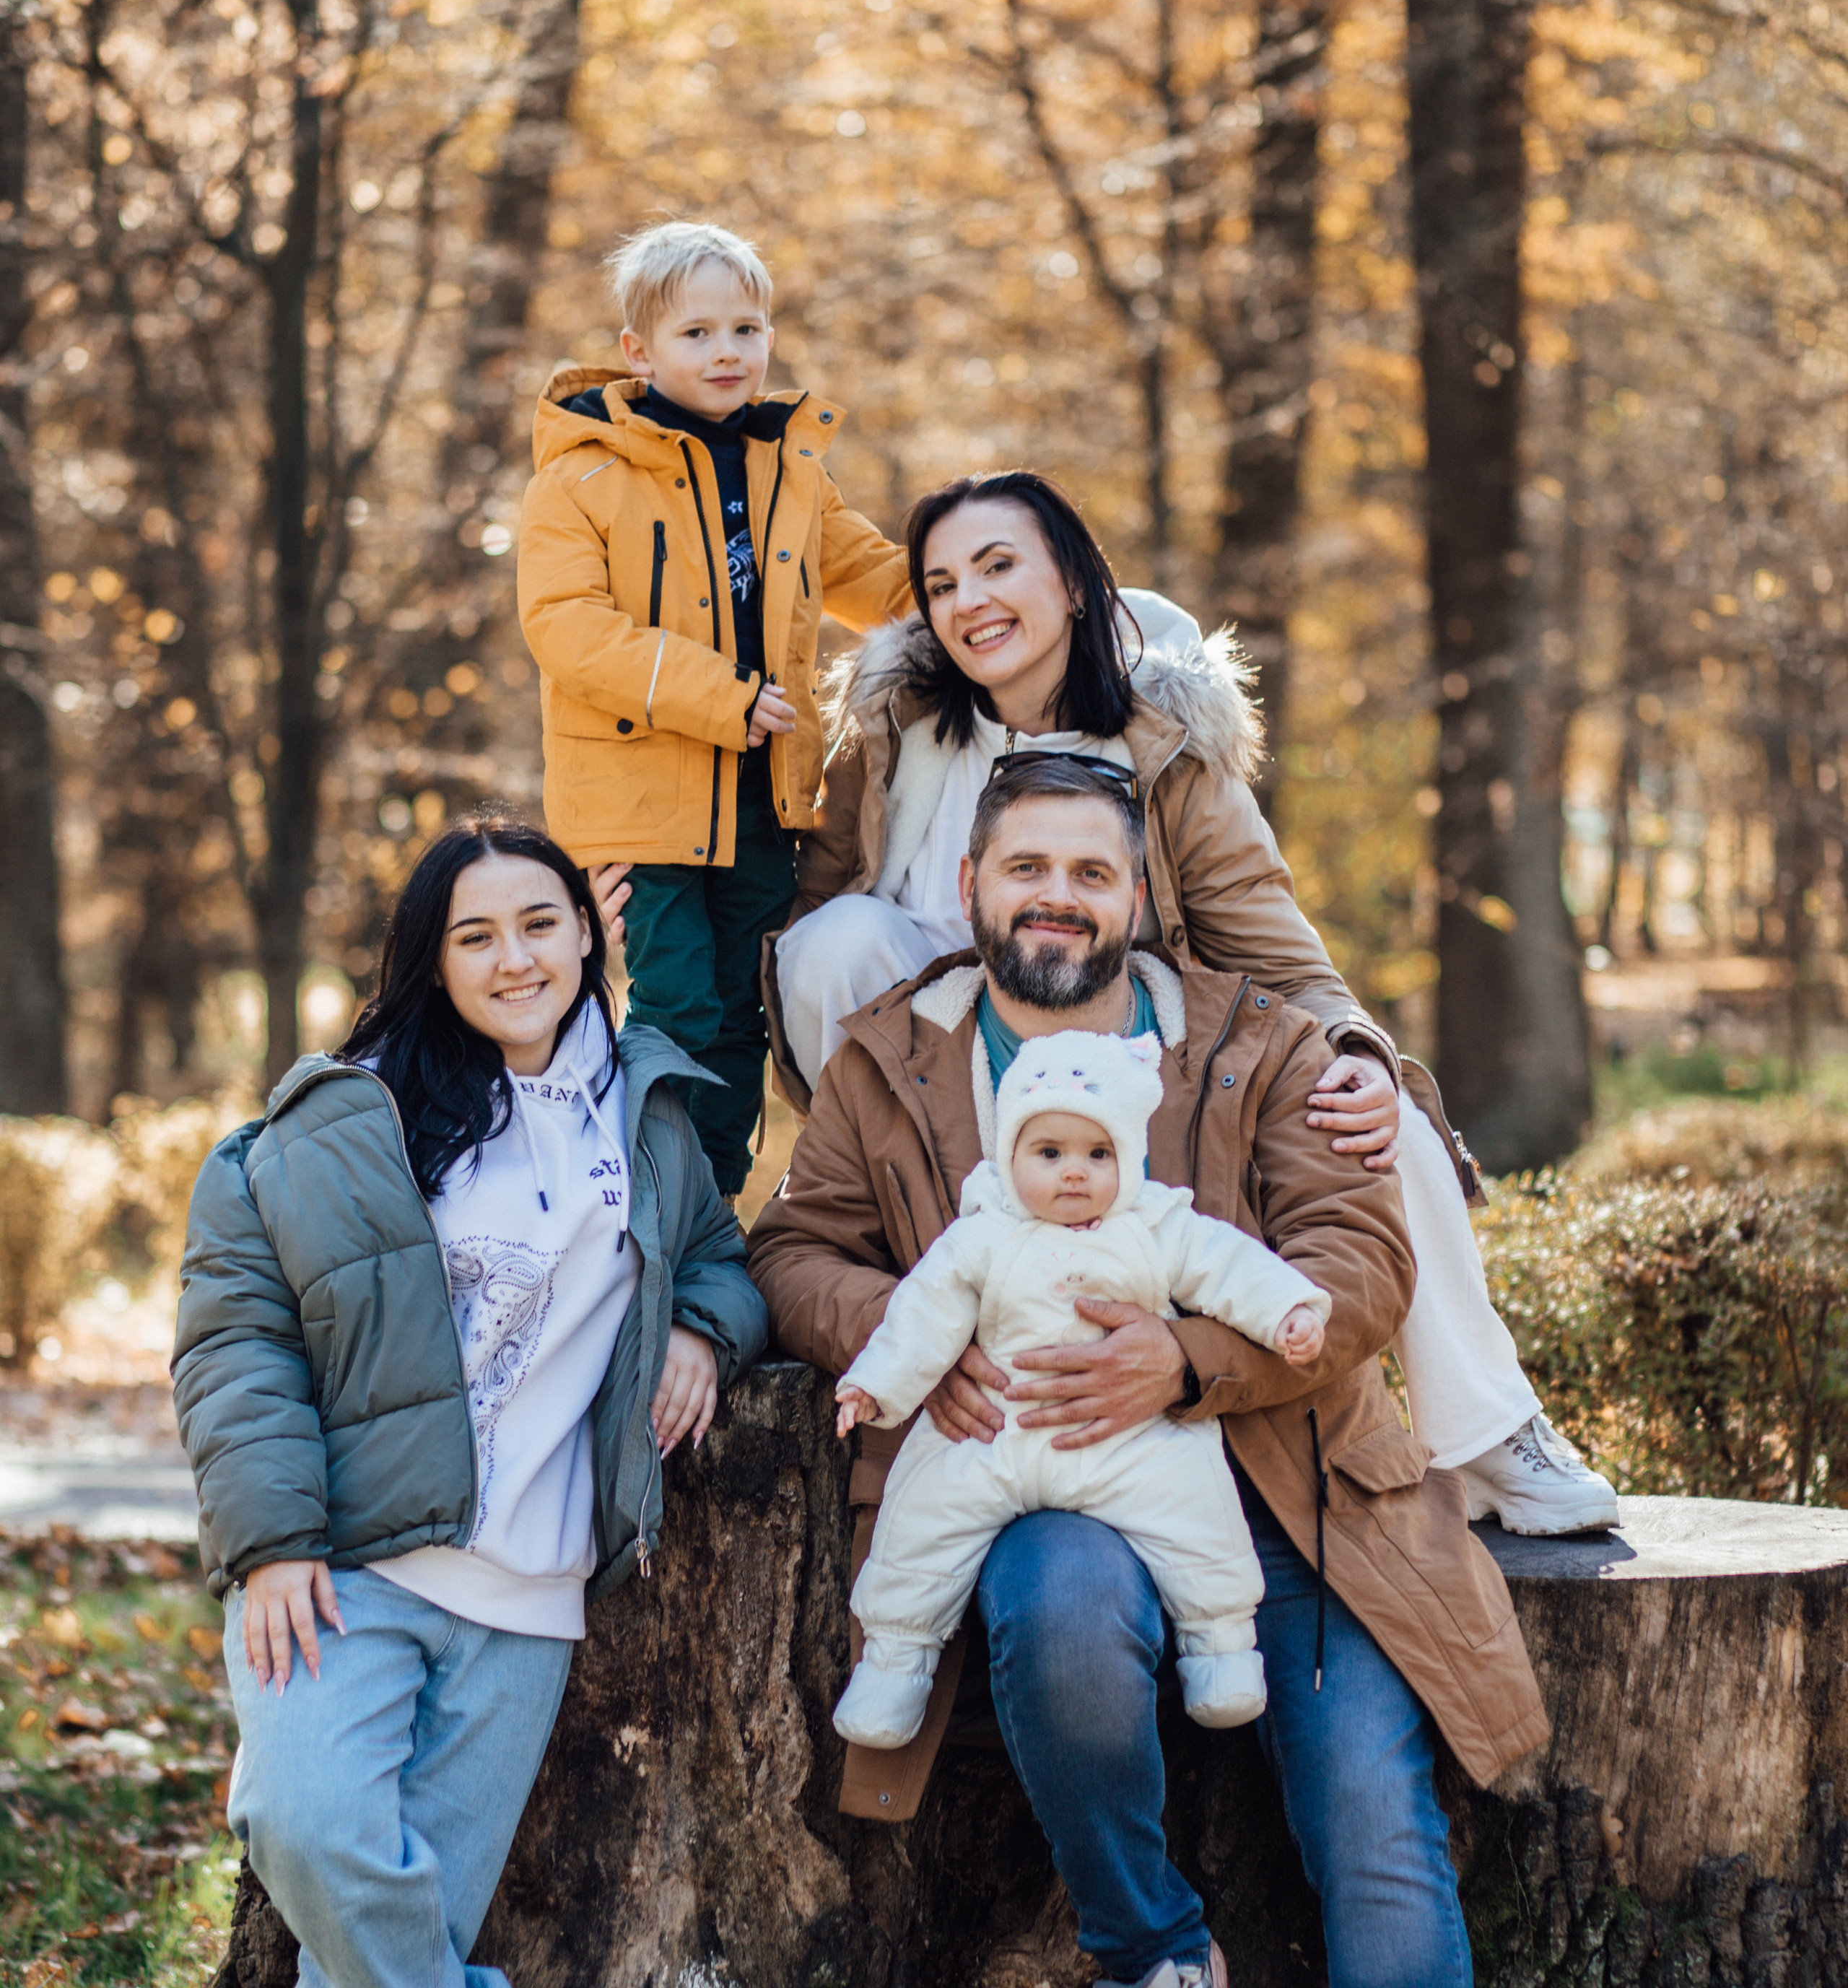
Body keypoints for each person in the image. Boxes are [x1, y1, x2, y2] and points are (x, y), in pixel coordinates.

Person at [748, 755, 1548, 1988]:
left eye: (1089, 874)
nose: (1054, 898)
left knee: (1369, 1825)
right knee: (1048, 1613)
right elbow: (794, 1241)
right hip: (1058, 1485)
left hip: (1298, 1491)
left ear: (1137, 895)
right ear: (971, 884)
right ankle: (1154, 1962)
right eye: (1023, 869)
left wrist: (1191, 1355)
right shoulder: (892, 1050)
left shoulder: (1255, 1041)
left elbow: (1360, 1257)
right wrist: (915, 1345)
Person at [766, 468, 1618, 1537]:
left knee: (1374, 1115)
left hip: (1140, 1075)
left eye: (998, 567)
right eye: (939, 584)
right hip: (948, 1083)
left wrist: (1355, 1048)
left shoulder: (1163, 740)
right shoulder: (897, 731)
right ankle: (924, 1243)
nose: (969, 601)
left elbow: (1272, 941)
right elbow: (803, 911)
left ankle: (1492, 1436)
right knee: (831, 940)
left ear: (1073, 584)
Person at [173, 820, 767, 1988]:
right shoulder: (343, 1115)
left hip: (527, 1602)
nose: (513, 959)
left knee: (377, 1932)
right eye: (475, 935)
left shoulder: (647, 1117)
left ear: (588, 936)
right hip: (347, 1566)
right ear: (431, 960)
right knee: (299, 1825)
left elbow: (719, 1263)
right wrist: (272, 1537)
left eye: (540, 925)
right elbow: (235, 1329)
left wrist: (700, 1325)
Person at [516, 218, 912, 1201]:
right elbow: (566, 626)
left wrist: (1004, 587)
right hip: (640, 801)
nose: (729, 351)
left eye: (748, 327)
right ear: (638, 353)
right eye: (697, 334)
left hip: (762, 797)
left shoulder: (791, 471)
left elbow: (872, 578)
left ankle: (713, 1220)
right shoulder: (581, 477)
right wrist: (720, 699)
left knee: (744, 1013)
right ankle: (654, 1209)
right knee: (677, 1007)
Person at [832, 1026, 1330, 1752]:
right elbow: (922, 1316)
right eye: (1049, 1153)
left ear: (1127, 1158)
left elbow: (1230, 1267)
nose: (1074, 1173)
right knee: (921, 1522)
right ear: (1009, 1158)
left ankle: (1220, 1649)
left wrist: (1287, 1311)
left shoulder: (1155, 1225)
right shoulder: (981, 1234)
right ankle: (893, 1663)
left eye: (1098, 1154)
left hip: (1129, 1440)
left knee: (1198, 1511)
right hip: (994, 1429)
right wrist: (875, 1386)